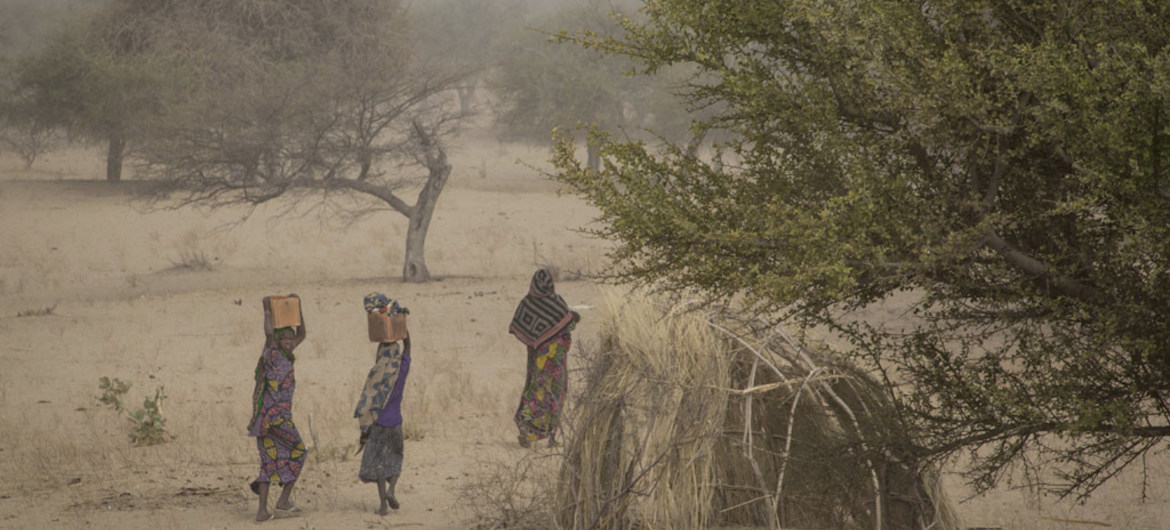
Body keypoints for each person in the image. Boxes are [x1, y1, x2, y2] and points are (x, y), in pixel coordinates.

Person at [247, 294, 307, 522]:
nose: (291, 342)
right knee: (300, 451)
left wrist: (299, 307)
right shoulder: (272, 353)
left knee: (268, 462)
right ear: (279, 341)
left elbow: (302, 334)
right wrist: (267, 312)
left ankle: (262, 511)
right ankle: (283, 500)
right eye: (286, 339)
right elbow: (270, 333)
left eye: (291, 340)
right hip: (276, 419)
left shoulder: (286, 354)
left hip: (264, 422)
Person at [354, 292, 412, 515]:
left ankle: (381, 504)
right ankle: (393, 489)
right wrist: (401, 325)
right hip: (395, 422)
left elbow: (368, 399)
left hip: (378, 423)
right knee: (396, 458)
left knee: (379, 463)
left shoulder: (378, 374)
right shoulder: (402, 368)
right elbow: (407, 348)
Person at [509, 268, 580, 448]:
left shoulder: (526, 303)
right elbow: (568, 323)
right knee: (555, 392)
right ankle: (550, 437)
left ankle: (526, 427)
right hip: (555, 359)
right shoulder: (556, 302)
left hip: (537, 359)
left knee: (534, 390)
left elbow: (521, 328)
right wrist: (574, 317)